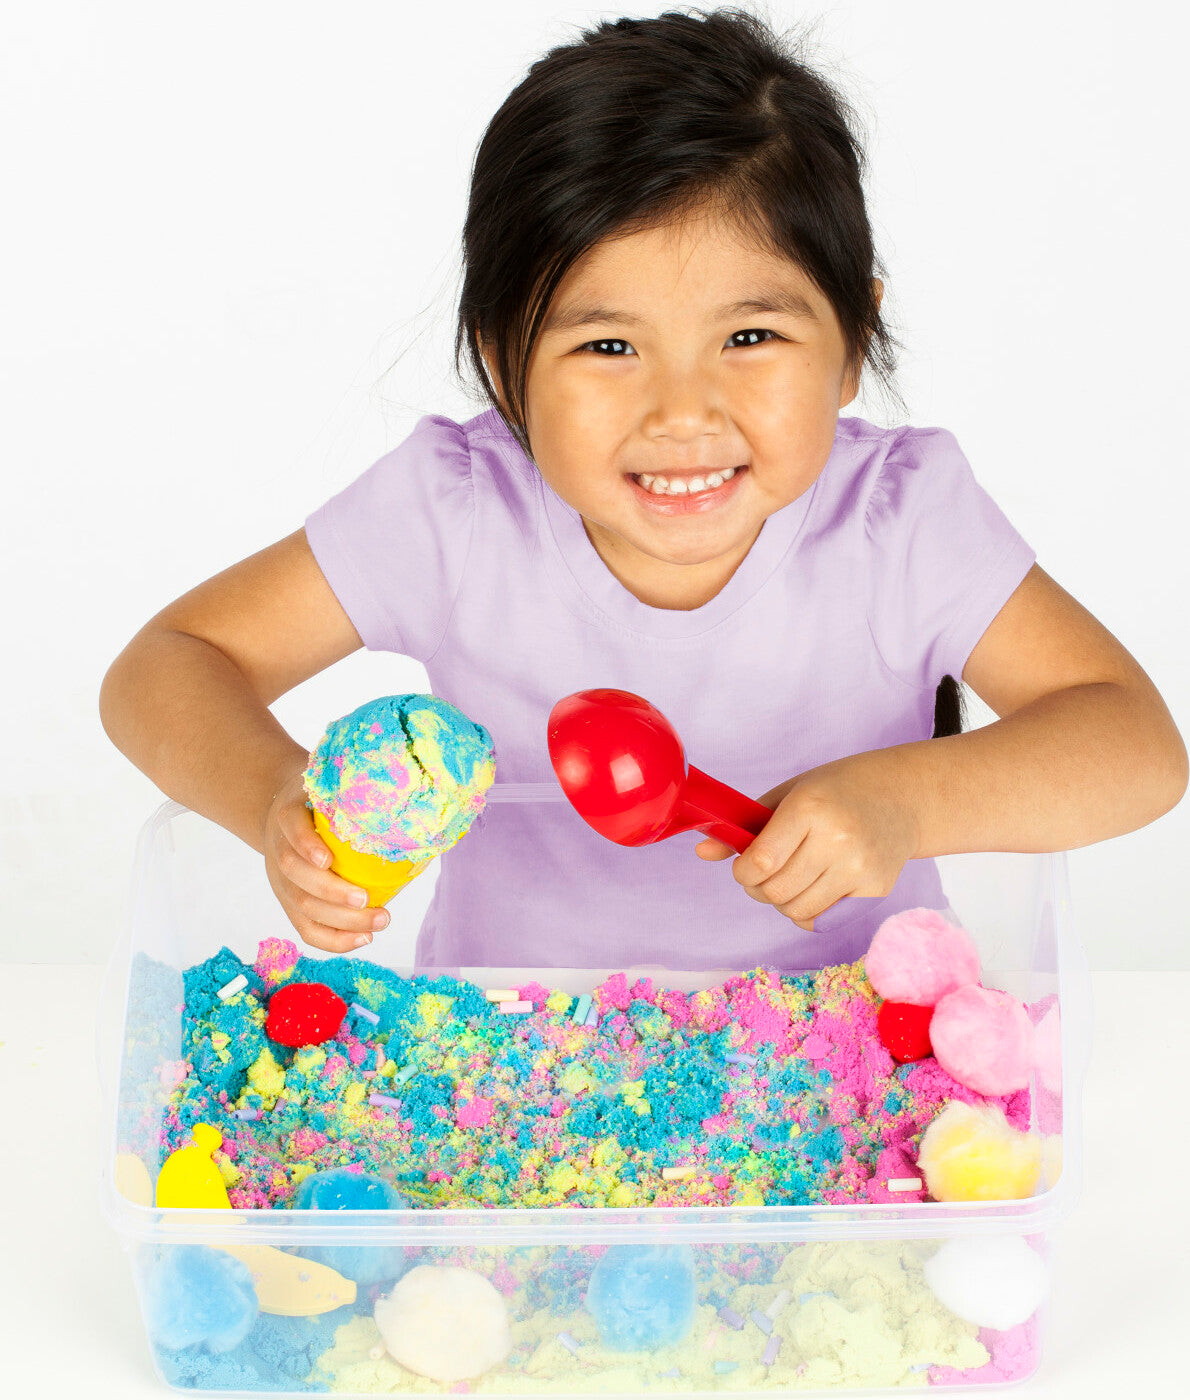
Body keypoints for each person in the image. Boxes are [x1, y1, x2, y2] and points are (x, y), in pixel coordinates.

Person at [100, 7, 1186, 973]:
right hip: (510, 1072)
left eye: (749, 335)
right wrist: (276, 799)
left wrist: (903, 801)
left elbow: (1132, 745)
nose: (682, 411)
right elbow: (167, 664)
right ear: (500, 357)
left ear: (853, 340)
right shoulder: (457, 510)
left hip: (854, 1066)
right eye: (609, 344)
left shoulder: (899, 522)